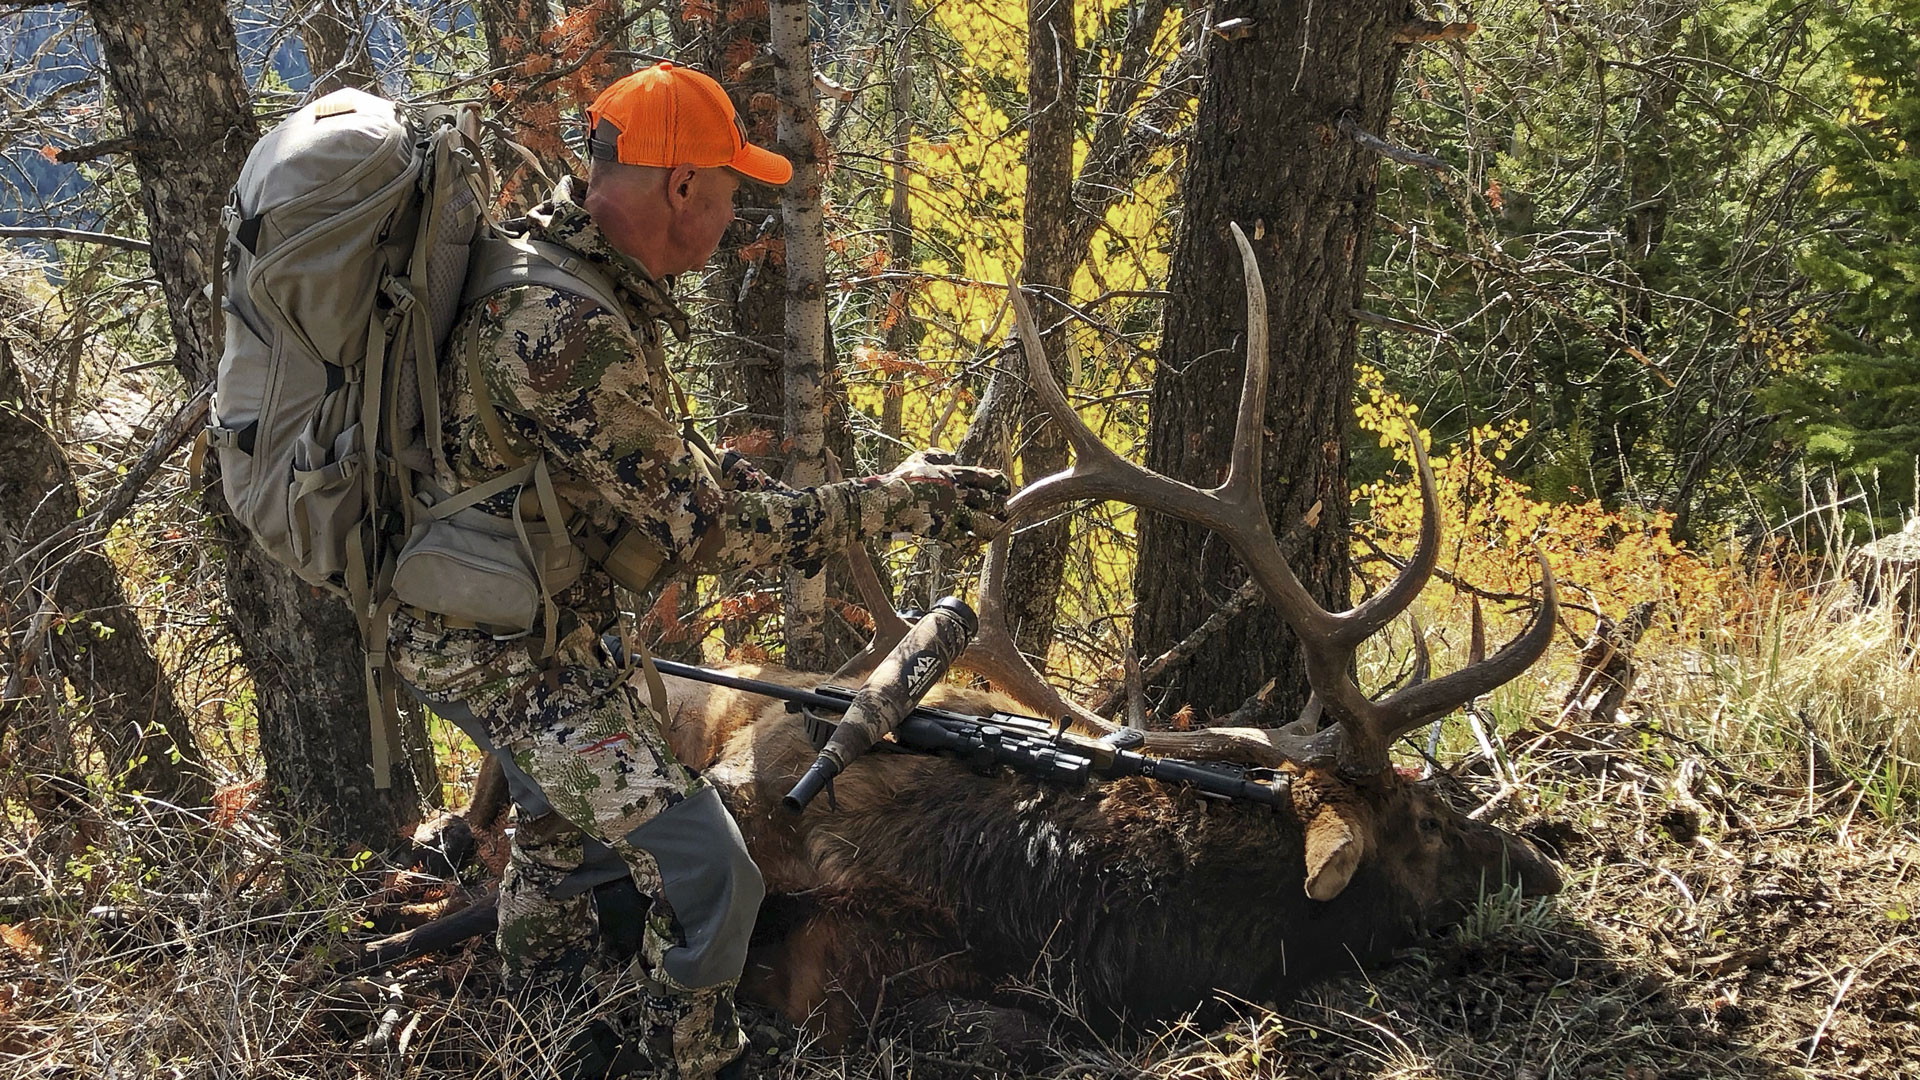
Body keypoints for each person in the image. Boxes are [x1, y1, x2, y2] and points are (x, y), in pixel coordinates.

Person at [387, 62, 1010, 1078]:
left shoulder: (564, 273)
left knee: (558, 825)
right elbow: (701, 533)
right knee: (712, 869)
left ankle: (548, 1023)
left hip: (505, 624)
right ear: (680, 187)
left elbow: (620, 471)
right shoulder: (568, 328)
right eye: (726, 195)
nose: (728, 218)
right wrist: (897, 501)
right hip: (500, 652)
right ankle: (692, 1058)